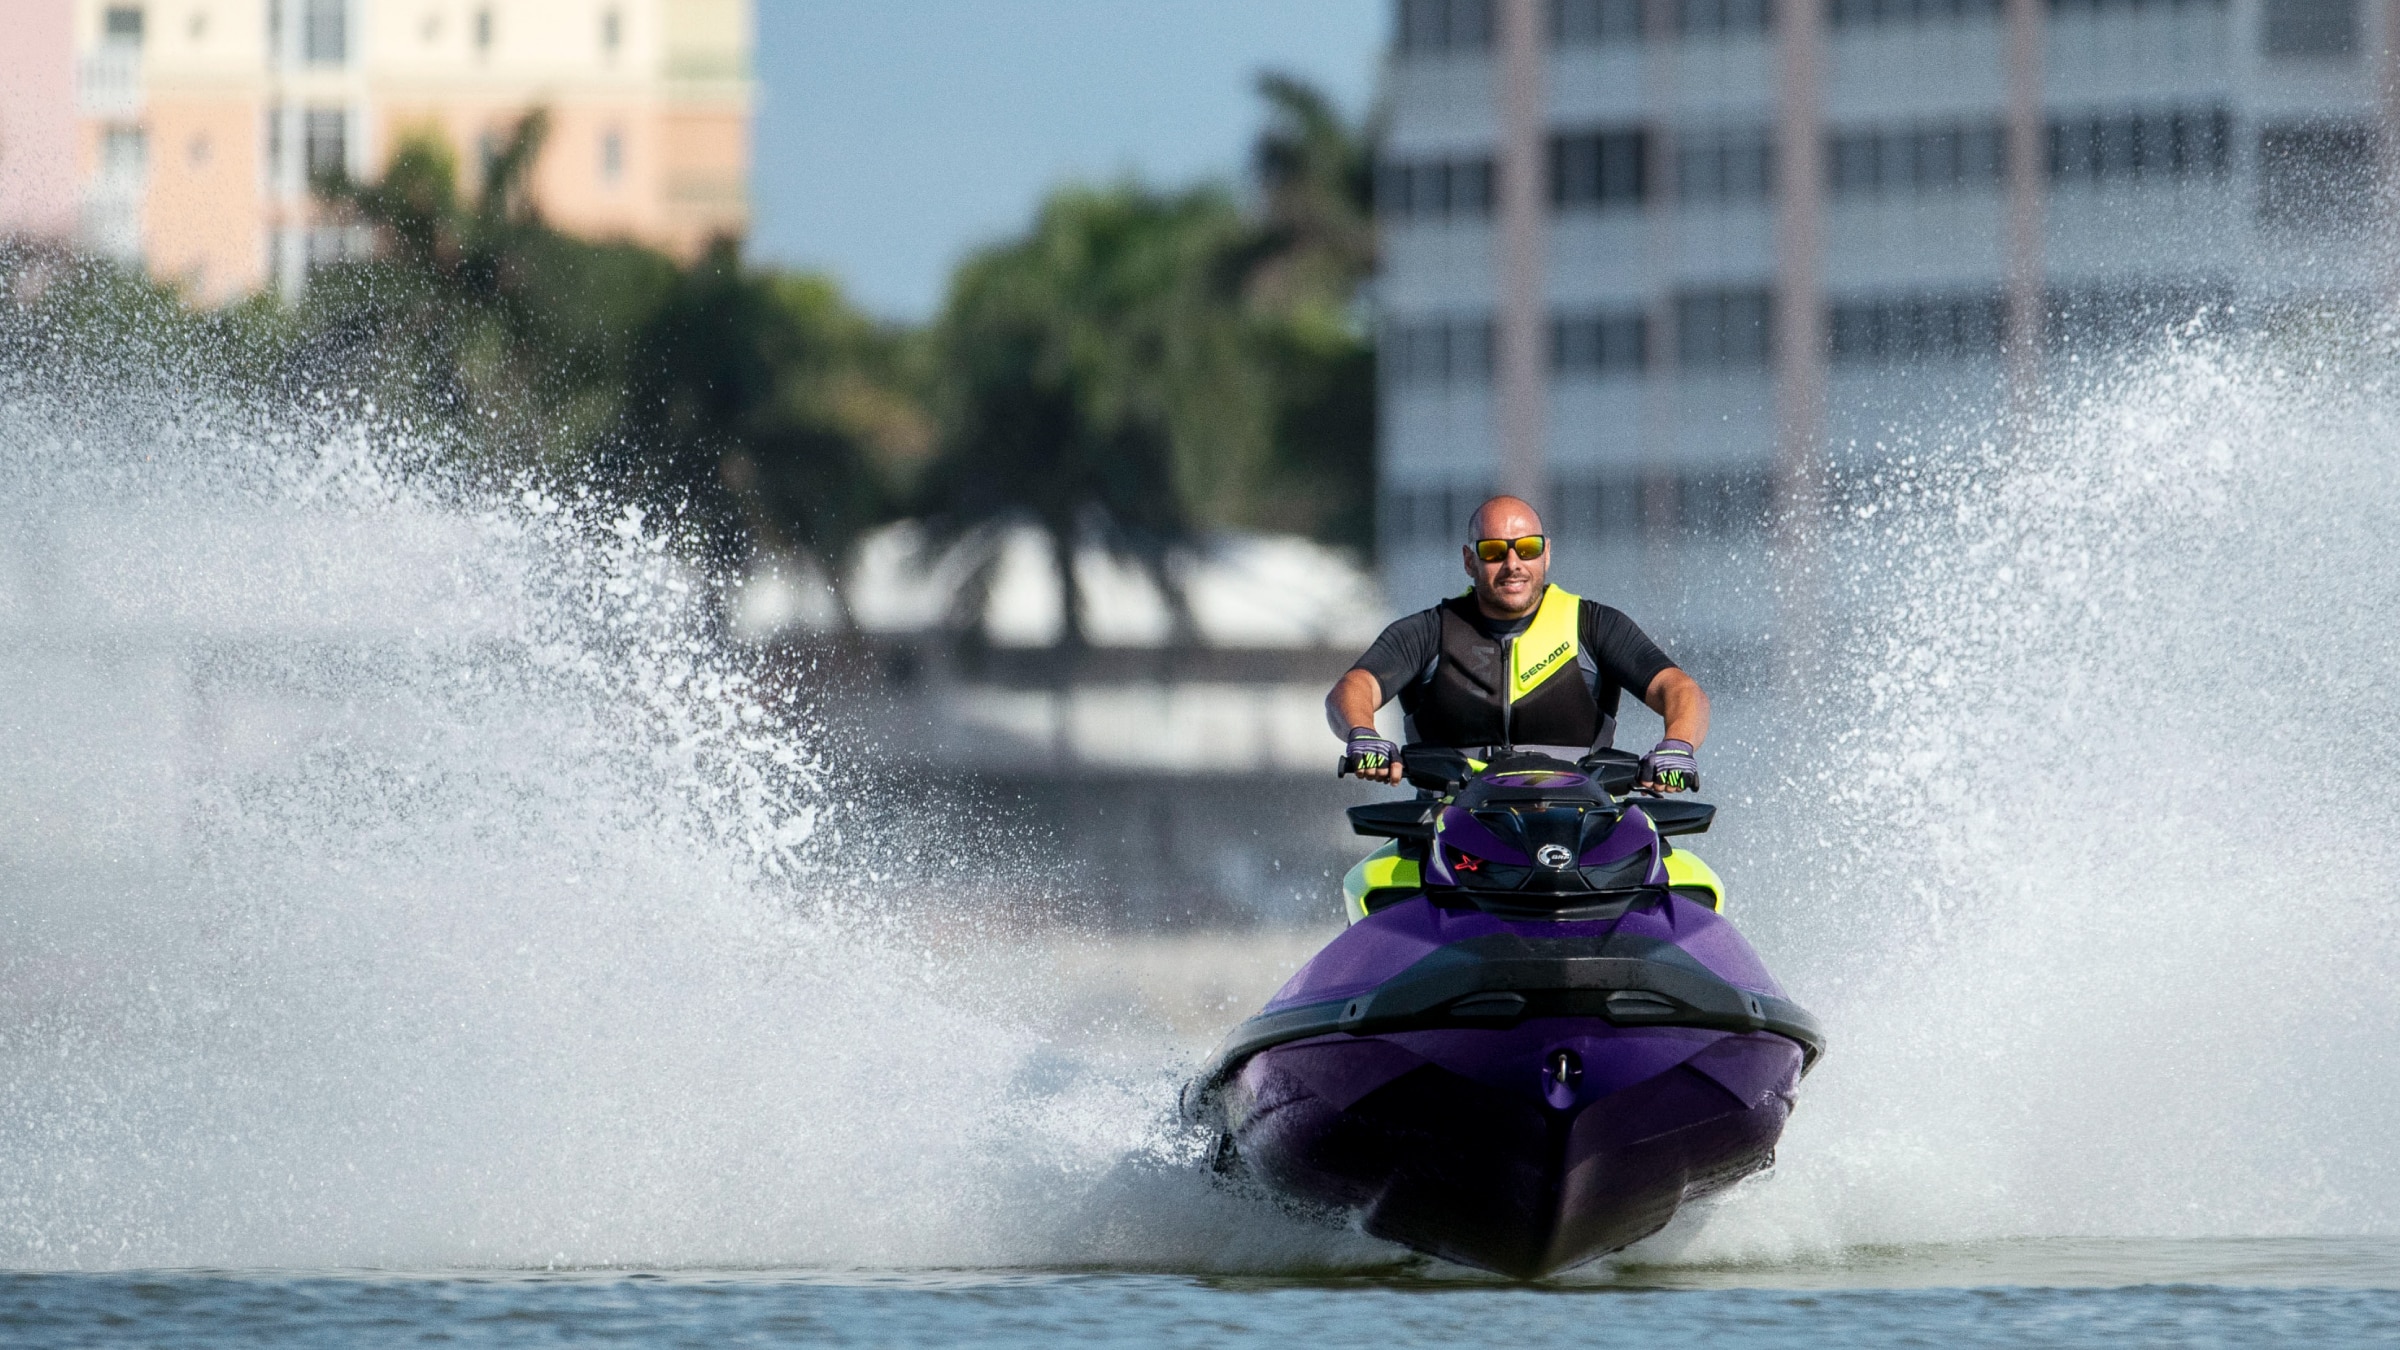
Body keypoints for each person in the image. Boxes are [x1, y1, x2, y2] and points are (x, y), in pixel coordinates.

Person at [1327, 494, 1709, 792]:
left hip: (1581, 823)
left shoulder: (1595, 626)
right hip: (1449, 825)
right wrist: (1363, 735)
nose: (1513, 564)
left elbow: (1678, 688)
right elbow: (1354, 687)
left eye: (1526, 548)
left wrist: (1677, 747)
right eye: (1493, 551)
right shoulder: (1428, 632)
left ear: (1546, 553)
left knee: (1681, 877)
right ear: (1469, 561)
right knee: (1375, 884)